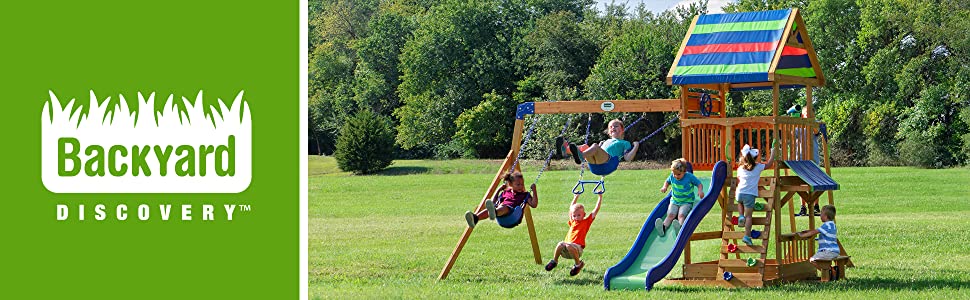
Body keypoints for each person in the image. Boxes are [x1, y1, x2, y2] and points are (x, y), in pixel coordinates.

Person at [544, 193, 602, 276]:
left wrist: (600, 197)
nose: (576, 217)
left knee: (568, 245)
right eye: (574, 215)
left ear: (584, 215)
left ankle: (578, 264)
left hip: (577, 249)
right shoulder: (573, 221)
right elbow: (571, 209)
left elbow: (596, 210)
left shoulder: (586, 222)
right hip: (566, 250)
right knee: (560, 244)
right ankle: (555, 261)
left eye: (579, 215)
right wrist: (576, 197)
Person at [559, 119, 639, 176]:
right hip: (595, 167)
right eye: (610, 127)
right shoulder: (606, 141)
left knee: (594, 146)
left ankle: (581, 156)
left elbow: (628, 158)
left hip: (608, 165)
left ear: (622, 130)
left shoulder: (624, 143)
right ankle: (566, 151)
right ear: (608, 132)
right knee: (585, 147)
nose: (613, 128)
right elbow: (599, 152)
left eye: (616, 126)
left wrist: (636, 146)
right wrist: (601, 146)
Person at [464, 171, 538, 228]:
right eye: (518, 184)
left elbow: (534, 204)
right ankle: (475, 218)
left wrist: (534, 190)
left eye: (522, 184)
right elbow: (493, 202)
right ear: (510, 184)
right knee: (493, 207)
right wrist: (498, 190)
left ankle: (494, 212)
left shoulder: (524, 195)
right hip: (500, 213)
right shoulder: (506, 192)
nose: (521, 186)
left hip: (512, 215)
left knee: (504, 207)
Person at [735, 143, 776, 245]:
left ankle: (740, 216)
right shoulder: (758, 167)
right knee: (748, 216)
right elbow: (769, 164)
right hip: (749, 194)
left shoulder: (740, 168)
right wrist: (773, 154)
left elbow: (739, 179)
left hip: (739, 192)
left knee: (740, 203)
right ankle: (747, 236)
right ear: (755, 158)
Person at [655, 158, 703, 237]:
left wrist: (700, 191)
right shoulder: (672, 176)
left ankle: (680, 228)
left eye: (678, 174)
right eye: (674, 174)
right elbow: (667, 181)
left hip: (686, 202)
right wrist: (664, 187)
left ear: (684, 172)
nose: (676, 176)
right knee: (670, 215)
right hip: (675, 201)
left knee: (681, 215)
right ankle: (663, 228)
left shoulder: (689, 177)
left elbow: (699, 184)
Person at [795, 105, 822, 217]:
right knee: (802, 184)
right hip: (800, 158)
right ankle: (803, 207)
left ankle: (815, 206)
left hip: (813, 158)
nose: (808, 116)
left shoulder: (815, 124)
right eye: (806, 114)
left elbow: (816, 131)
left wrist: (811, 122)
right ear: (802, 115)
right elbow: (791, 136)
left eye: (810, 114)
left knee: (814, 183)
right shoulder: (797, 126)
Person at [797, 205, 840, 270]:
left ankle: (827, 272)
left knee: (812, 260)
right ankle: (830, 270)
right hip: (835, 251)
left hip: (828, 251)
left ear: (825, 216)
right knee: (820, 260)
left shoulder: (826, 225)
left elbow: (814, 232)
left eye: (821, 214)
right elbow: (822, 234)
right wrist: (808, 231)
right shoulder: (832, 225)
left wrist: (801, 236)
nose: (820, 216)